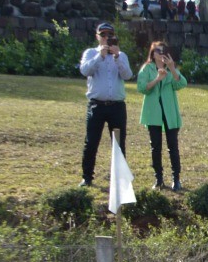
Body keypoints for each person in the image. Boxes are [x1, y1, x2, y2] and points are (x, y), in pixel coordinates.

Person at [79, 22, 133, 189]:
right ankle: (87, 177)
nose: (106, 38)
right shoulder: (90, 53)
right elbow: (84, 71)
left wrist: (116, 58)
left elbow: (128, 75)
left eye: (109, 35)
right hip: (97, 105)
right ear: (97, 36)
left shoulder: (121, 55)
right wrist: (100, 56)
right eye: (103, 35)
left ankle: (119, 178)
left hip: (116, 106)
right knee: (91, 141)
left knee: (118, 143)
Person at [136, 41, 187, 192]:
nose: (161, 53)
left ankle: (176, 179)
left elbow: (182, 83)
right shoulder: (147, 69)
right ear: (152, 54)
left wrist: (172, 68)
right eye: (157, 50)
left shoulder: (171, 69)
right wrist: (157, 79)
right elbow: (141, 88)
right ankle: (158, 179)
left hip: (169, 113)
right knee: (155, 147)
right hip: (153, 113)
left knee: (173, 147)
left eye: (163, 50)